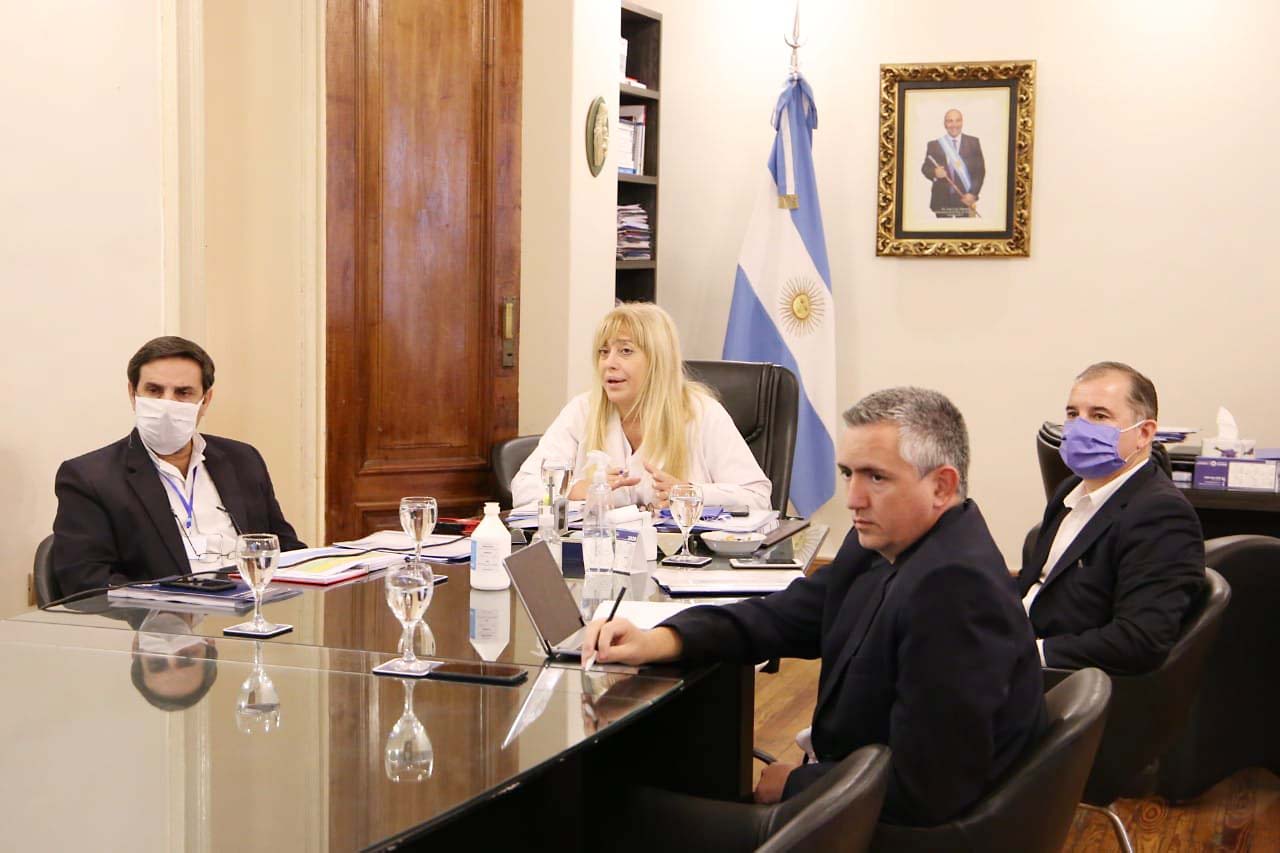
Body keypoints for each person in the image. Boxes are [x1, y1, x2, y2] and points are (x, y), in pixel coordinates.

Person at [583, 387, 1047, 826]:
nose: (853, 499)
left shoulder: (956, 591)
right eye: (848, 474)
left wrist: (796, 786)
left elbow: (927, 790)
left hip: (887, 832)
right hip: (851, 793)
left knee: (621, 816)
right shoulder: (887, 542)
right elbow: (785, 615)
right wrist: (663, 638)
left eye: (877, 477)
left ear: (942, 487)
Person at [52, 336, 305, 596]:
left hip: (250, 610)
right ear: (132, 393)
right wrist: (176, 602)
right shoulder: (89, 477)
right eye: (154, 390)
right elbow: (85, 580)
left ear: (205, 400)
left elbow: (284, 549)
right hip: (161, 616)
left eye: (183, 393)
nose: (167, 404)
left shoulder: (243, 459)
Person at [1018, 362, 1205, 675]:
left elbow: (1139, 641)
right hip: (1013, 644)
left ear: (1144, 433)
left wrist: (1027, 654)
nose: (1079, 427)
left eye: (1099, 416)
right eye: (1073, 414)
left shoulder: (1161, 514)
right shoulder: (1069, 490)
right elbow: (1036, 586)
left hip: (1062, 677)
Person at [511, 303, 771, 511]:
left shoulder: (702, 413)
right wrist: (575, 490)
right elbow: (524, 486)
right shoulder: (582, 410)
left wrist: (692, 493)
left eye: (625, 351)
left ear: (658, 360)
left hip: (684, 555)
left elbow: (757, 497)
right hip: (599, 553)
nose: (609, 363)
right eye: (603, 352)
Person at [921, 108, 985, 218]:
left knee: (966, 229)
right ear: (945, 124)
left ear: (962, 122)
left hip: (966, 199)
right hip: (942, 201)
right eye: (950, 121)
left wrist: (973, 193)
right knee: (943, 229)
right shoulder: (934, 144)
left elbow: (980, 171)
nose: (954, 125)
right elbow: (925, 168)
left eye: (957, 120)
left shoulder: (973, 142)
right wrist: (935, 172)